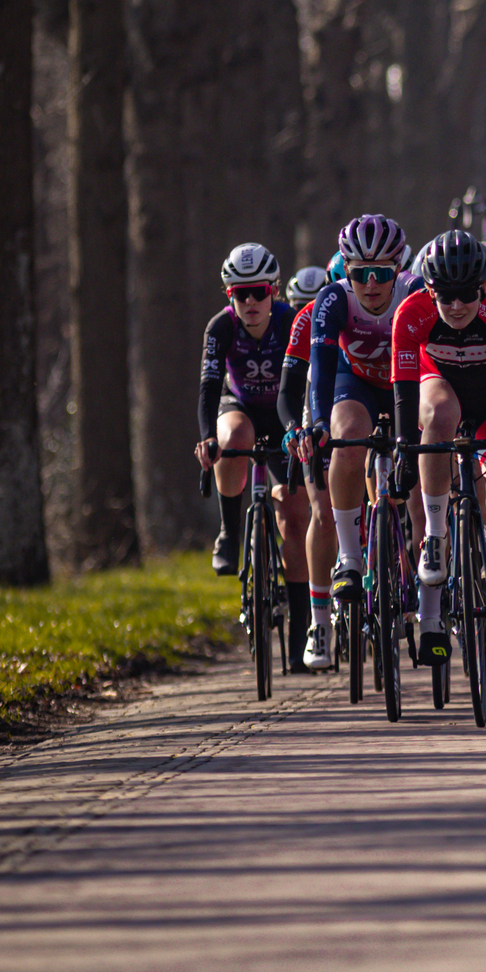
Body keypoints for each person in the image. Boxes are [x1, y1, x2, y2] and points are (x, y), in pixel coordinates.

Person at [391, 228, 486, 689]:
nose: (456, 307)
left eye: (466, 295)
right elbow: (402, 396)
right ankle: (437, 535)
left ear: (484, 288)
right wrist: (403, 449)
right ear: (428, 290)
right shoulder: (411, 313)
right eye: (445, 296)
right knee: (435, 413)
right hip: (444, 392)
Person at [196, 242, 313, 666]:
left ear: (275, 291)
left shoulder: (291, 321)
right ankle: (229, 532)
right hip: (241, 408)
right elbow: (209, 389)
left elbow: (309, 383)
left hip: (285, 419)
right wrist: (207, 437)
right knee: (233, 439)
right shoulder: (220, 328)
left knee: (296, 521)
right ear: (230, 296)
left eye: (259, 292)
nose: (250, 302)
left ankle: (301, 637)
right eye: (240, 294)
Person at [306, 212, 413, 660]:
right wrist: (316, 424)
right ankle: (349, 559)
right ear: (345, 271)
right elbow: (320, 371)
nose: (370, 284)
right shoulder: (333, 300)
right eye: (359, 274)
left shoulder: (414, 293)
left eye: (381, 273)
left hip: (407, 383)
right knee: (345, 436)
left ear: (397, 269)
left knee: (427, 453)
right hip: (357, 384)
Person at [279, 264, 337, 668]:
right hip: (314, 413)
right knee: (321, 511)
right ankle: (319, 623)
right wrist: (294, 428)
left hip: (366, 408)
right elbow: (290, 388)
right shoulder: (305, 319)